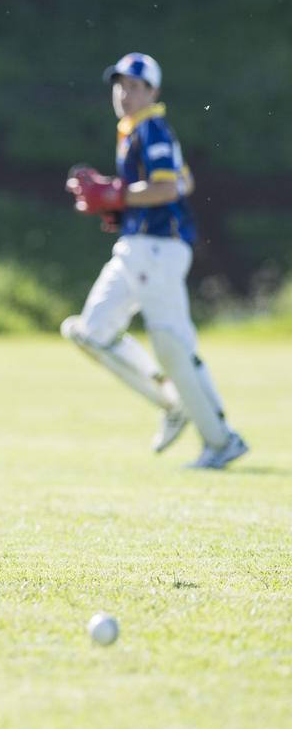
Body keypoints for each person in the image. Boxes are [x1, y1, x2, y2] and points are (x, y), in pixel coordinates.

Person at [62, 52, 247, 469]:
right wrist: (123, 203)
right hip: (138, 244)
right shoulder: (134, 129)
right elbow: (183, 179)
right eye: (120, 85)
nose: (124, 93)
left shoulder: (152, 129)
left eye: (134, 86)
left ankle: (221, 440)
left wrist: (117, 195)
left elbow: (168, 190)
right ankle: (173, 404)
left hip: (160, 246)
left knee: (171, 344)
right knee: (89, 331)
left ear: (153, 91)